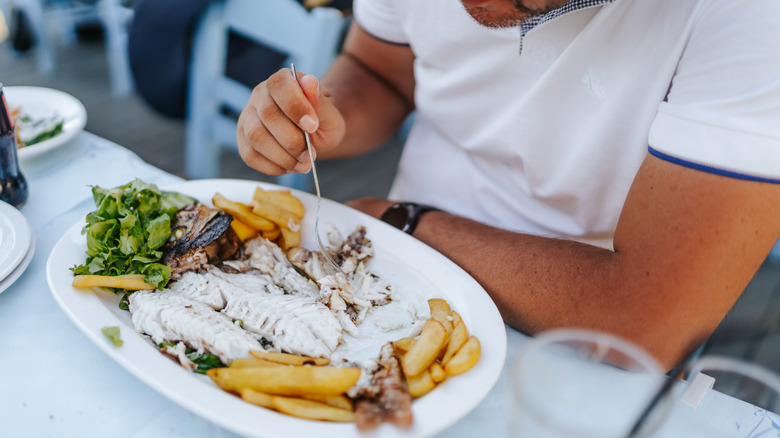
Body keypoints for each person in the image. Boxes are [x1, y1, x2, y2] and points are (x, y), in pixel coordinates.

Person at [235, 0, 780, 369]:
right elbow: (377, 67)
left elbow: (646, 321)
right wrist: (326, 117)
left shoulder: (753, 23)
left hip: (573, 352)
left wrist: (400, 221)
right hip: (382, 278)